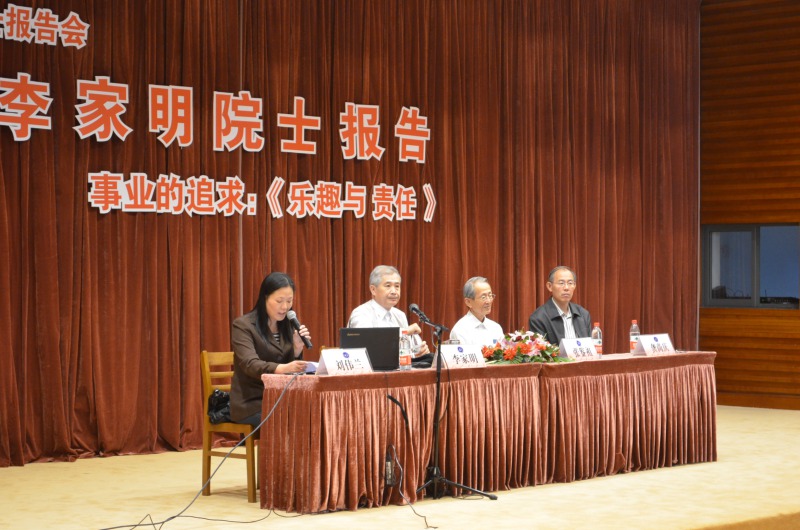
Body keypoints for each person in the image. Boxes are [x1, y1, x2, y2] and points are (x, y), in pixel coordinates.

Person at [230, 272, 311, 428]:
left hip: (282, 398)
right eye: (279, 301)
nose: (285, 307)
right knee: (291, 421)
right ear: (265, 297)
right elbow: (250, 364)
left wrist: (296, 349)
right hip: (252, 402)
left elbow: (288, 368)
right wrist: (283, 368)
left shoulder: (289, 325)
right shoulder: (243, 325)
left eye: (289, 301)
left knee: (313, 413)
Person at [347, 265, 430, 357]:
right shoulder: (361, 313)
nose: (394, 291)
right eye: (388, 286)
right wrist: (405, 332)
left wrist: (417, 352)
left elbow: (403, 351)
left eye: (397, 286)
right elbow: (368, 343)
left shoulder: (400, 315)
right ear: (373, 290)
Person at [528, 266, 592, 345]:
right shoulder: (538, 318)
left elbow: (589, 347)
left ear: (574, 286)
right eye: (561, 283)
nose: (566, 288)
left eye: (570, 283)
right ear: (549, 286)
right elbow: (541, 351)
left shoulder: (583, 314)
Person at [449, 277, 504, 345]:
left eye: (490, 295)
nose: (488, 301)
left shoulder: (496, 328)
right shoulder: (460, 330)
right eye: (483, 297)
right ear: (468, 302)